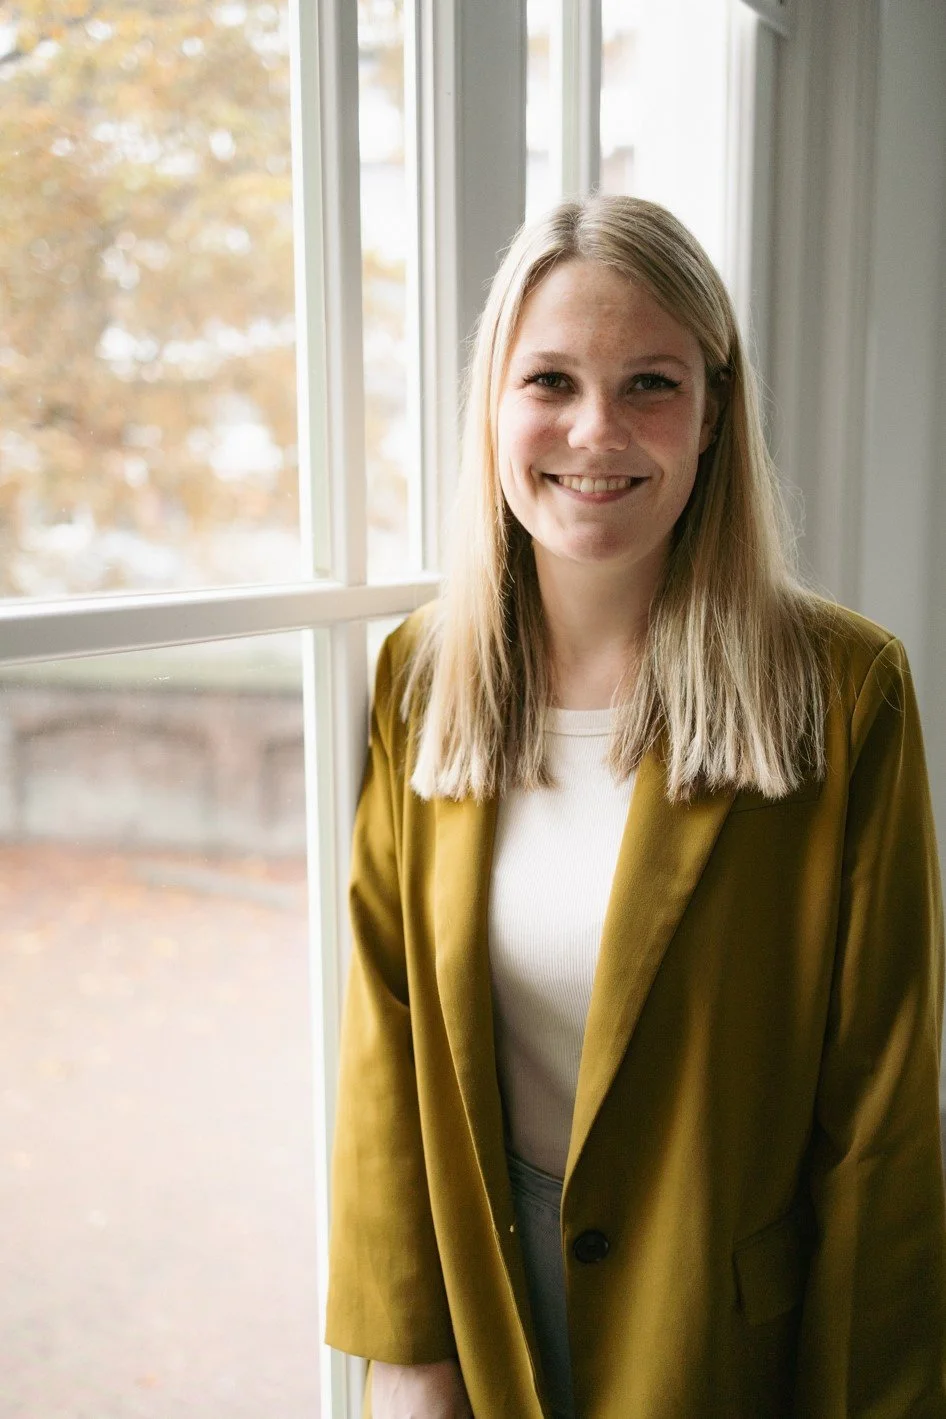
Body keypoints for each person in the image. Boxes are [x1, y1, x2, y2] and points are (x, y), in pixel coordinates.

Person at [324, 195, 946, 1418]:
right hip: (482, 1301)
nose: (596, 431)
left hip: (726, 1335)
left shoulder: (842, 690)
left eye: (650, 384)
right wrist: (407, 1354)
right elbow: (385, 1037)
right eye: (550, 379)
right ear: (493, 408)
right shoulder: (418, 674)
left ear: (713, 415)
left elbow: (881, 1107)